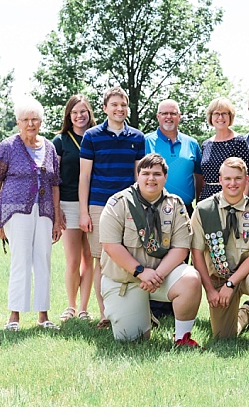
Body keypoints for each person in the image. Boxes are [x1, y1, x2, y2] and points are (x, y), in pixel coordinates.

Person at [98, 153, 202, 346]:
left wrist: (157, 275)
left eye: (157, 174)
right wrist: (140, 272)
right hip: (126, 280)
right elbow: (110, 246)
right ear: (138, 175)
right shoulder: (118, 203)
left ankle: (182, 338)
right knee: (131, 339)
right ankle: (142, 314)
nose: (151, 178)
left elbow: (181, 247)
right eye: (145, 173)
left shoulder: (175, 205)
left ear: (165, 177)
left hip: (160, 277)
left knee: (191, 278)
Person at [78, 86, 148, 328]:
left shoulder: (137, 138)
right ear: (105, 108)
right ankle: (105, 314)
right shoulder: (92, 136)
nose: (120, 109)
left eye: (123, 105)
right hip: (99, 205)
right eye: (115, 105)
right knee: (102, 260)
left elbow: (139, 176)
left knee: (130, 257)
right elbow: (84, 176)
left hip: (129, 205)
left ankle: (132, 311)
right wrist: (84, 212)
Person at [0, 99, 62, 331]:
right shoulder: (7, 147)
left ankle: (43, 316)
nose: (30, 124)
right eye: (25, 120)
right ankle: (14, 316)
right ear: (18, 122)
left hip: (44, 211)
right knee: (20, 260)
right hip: (16, 212)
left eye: (35, 119)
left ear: (41, 122)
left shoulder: (50, 147)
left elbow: (54, 185)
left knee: (43, 260)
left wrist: (57, 218)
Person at [189, 157, 249, 350]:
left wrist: (231, 283)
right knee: (223, 336)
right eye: (228, 178)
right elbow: (197, 254)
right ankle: (246, 312)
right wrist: (210, 290)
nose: (232, 183)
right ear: (220, 180)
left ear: (246, 180)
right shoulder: (204, 210)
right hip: (219, 277)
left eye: (238, 178)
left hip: (248, 274)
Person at [52, 94, 97, 322]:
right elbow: (54, 178)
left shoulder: (97, 137)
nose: (80, 116)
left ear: (89, 113)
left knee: (89, 258)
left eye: (83, 111)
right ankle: (70, 306)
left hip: (93, 203)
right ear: (69, 116)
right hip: (68, 203)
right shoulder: (60, 141)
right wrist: (56, 209)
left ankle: (83, 308)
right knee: (72, 259)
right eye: (75, 112)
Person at [145, 99, 202, 214]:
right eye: (164, 113)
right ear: (158, 116)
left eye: (173, 113)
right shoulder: (145, 141)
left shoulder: (192, 143)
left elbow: (200, 177)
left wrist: (199, 205)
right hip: (153, 209)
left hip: (185, 210)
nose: (168, 117)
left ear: (179, 116)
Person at [198, 97, 249, 202]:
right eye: (216, 113)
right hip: (207, 198)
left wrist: (241, 205)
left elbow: (246, 178)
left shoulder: (239, 142)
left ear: (230, 116)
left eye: (224, 113)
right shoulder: (206, 144)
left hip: (231, 197)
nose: (220, 117)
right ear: (211, 117)